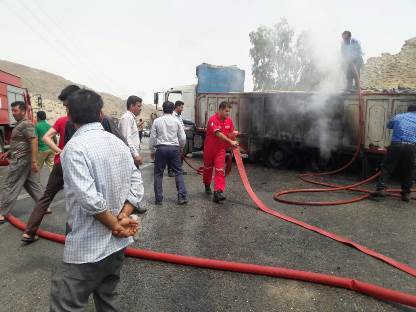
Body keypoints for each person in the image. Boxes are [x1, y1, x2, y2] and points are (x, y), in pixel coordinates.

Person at [49, 89, 143, 312]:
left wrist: (116, 225)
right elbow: (137, 183)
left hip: (87, 246)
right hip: (116, 246)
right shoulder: (118, 143)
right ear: (101, 114)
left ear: (70, 116)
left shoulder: (73, 149)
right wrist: (123, 215)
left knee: (65, 303)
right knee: (108, 298)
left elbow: (90, 199)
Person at [0, 101, 42, 224]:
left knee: (9, 185)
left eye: (15, 111)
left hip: (21, 161)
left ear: (23, 111)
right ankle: (44, 206)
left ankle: (2, 213)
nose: (13, 113)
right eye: (12, 110)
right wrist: (9, 152)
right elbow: (21, 142)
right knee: (31, 184)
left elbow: (33, 141)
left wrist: (34, 161)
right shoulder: (20, 124)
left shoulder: (26, 124)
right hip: (22, 159)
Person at [369, 105, 416, 202]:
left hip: (396, 145)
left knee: (387, 167)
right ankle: (406, 194)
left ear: (408, 110)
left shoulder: (399, 116)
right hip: (411, 147)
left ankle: (381, 189)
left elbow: (389, 125)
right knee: (409, 170)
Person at [149, 101, 188, 205]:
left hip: (160, 149)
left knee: (158, 173)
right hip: (174, 148)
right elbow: (183, 138)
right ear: (172, 109)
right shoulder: (176, 121)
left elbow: (152, 138)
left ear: (163, 109)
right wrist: (181, 148)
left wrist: (152, 151)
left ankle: (158, 199)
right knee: (178, 172)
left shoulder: (157, 121)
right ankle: (182, 197)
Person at [203, 101, 238, 203]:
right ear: (220, 110)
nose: (228, 113)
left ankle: (217, 192)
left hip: (220, 151)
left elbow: (231, 133)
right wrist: (230, 141)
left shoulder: (229, 121)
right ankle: (207, 184)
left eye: (229, 111)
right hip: (209, 150)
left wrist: (234, 135)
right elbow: (218, 133)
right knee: (208, 169)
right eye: (226, 111)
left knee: (219, 170)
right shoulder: (212, 120)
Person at [119, 95, 143, 168]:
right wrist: (135, 155)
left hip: (131, 156)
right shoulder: (127, 118)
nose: (140, 109)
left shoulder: (131, 118)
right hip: (130, 157)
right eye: (139, 106)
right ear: (132, 106)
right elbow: (127, 138)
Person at [168, 100, 187, 177]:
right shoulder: (172, 115)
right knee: (172, 155)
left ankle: (178, 169)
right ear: (177, 107)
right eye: (181, 107)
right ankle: (170, 170)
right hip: (174, 138)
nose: (182, 109)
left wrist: (185, 128)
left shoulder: (179, 116)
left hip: (180, 138)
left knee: (180, 154)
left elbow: (181, 125)